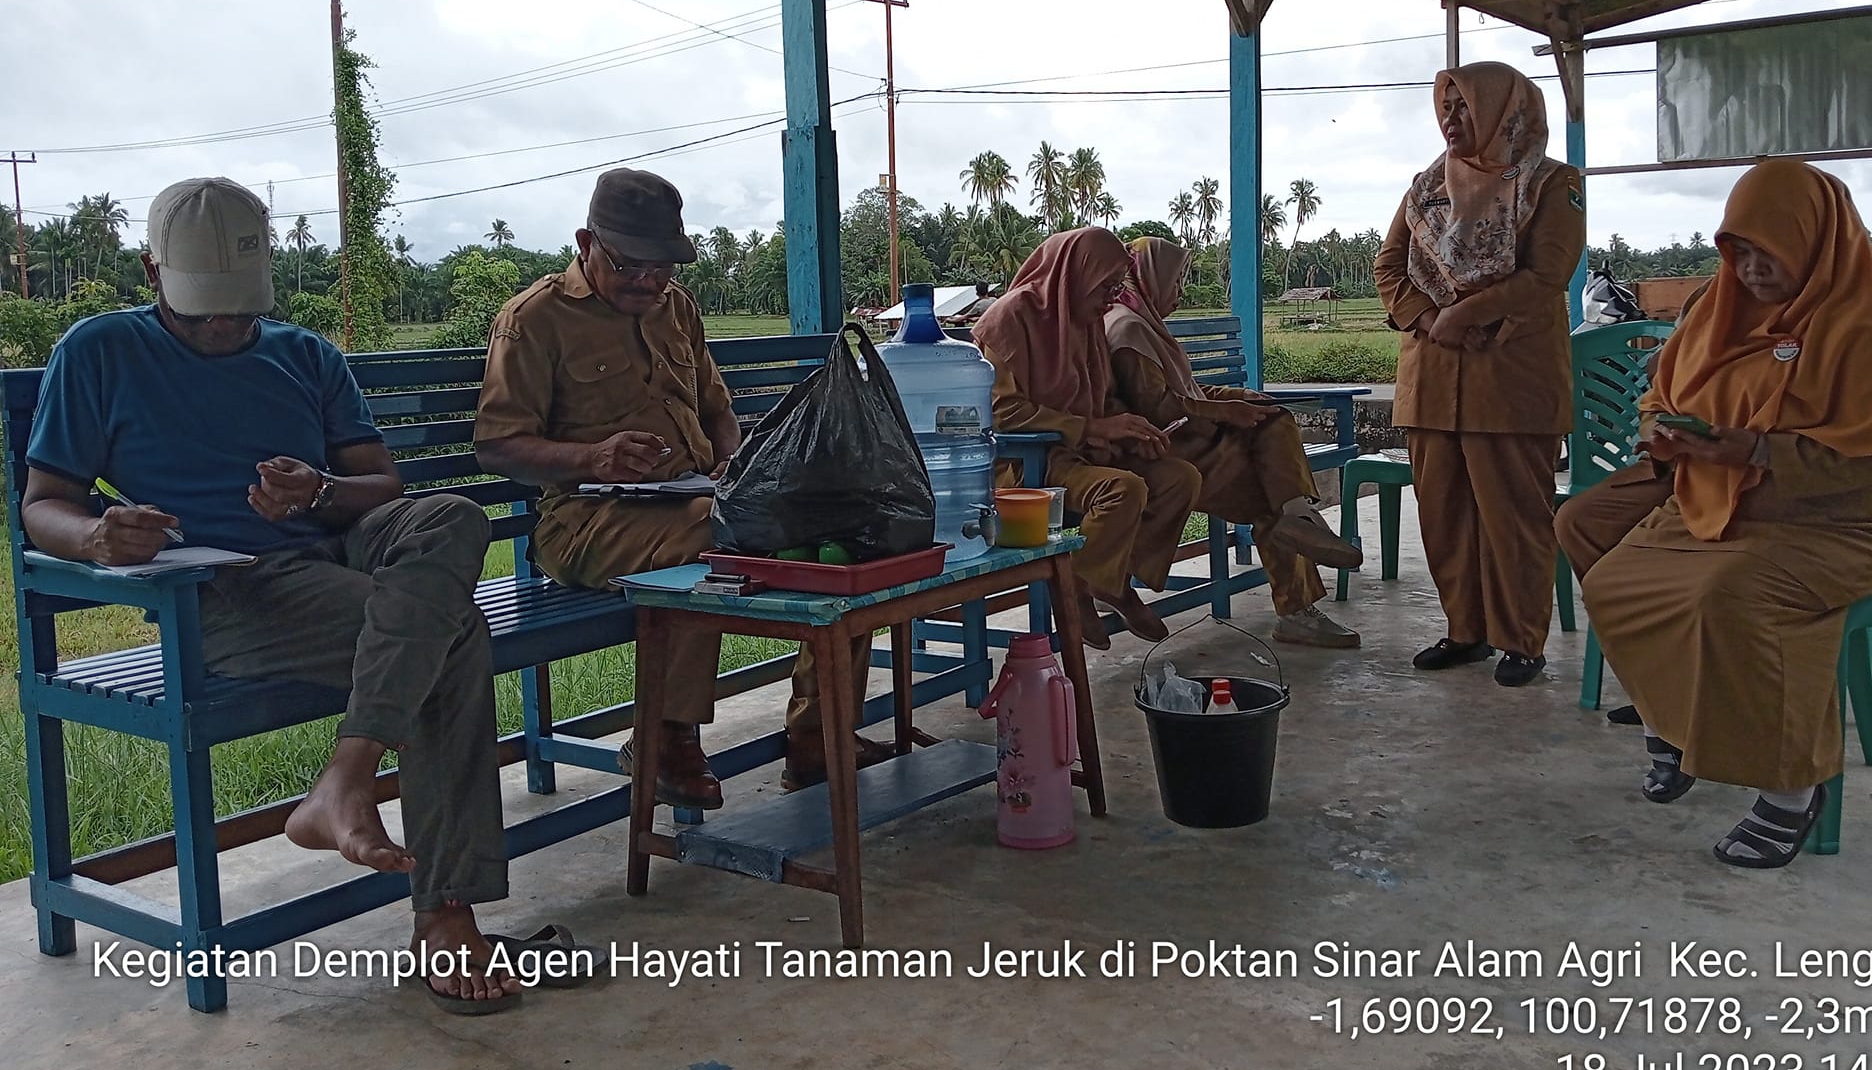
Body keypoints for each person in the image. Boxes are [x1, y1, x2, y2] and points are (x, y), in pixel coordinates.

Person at [22, 178, 520, 1014]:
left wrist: (319, 490)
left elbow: (381, 485)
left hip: (336, 547)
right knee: (450, 634)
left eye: (240, 308)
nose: (223, 326)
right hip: (225, 587)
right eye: (202, 311)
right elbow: (44, 504)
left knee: (455, 516)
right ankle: (444, 914)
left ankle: (344, 778)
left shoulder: (305, 354)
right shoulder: (99, 352)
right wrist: (96, 537)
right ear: (151, 272)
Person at [1558, 160, 1872, 868]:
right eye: (1738, 250)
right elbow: (1661, 392)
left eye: (1771, 250)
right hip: (1718, 498)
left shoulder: (1866, 328)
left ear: (1816, 243)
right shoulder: (1718, 308)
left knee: (1734, 595)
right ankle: (1673, 721)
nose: (1752, 268)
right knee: (1615, 582)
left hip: (1840, 521)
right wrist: (1663, 431)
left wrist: (1763, 451)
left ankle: (1791, 792)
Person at [474, 170, 884, 798]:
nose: (647, 281)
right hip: (584, 522)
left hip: (695, 500)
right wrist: (594, 458)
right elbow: (498, 445)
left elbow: (718, 411)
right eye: (630, 265)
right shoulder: (535, 319)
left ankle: (820, 735)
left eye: (661, 267)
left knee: (839, 532)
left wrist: (733, 466)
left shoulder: (677, 307)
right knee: (712, 540)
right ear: (586, 243)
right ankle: (665, 740)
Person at [1374, 62, 1585, 686]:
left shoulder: (1551, 183)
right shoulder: (1425, 188)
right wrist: (1430, 318)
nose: (1451, 117)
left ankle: (1521, 640)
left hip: (1511, 377)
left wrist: (1467, 313)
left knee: (1513, 516)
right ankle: (1464, 631)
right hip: (1432, 376)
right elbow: (1389, 267)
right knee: (1443, 515)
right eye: (1446, 105)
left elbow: (1548, 272)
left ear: (1503, 111)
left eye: (1465, 105)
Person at [1105, 236, 1363, 648]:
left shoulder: (1142, 323)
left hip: (1191, 439)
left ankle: (1296, 520)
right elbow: (1159, 409)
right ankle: (1297, 565)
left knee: (1273, 425)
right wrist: (1225, 412)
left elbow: (1185, 390)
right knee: (1269, 487)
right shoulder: (1128, 328)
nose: (1180, 290)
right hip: (1166, 450)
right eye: (1175, 280)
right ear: (1151, 277)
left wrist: (1236, 397)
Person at [975, 227, 1199, 649]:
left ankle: (1111, 581)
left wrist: (1129, 429)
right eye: (1106, 286)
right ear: (1074, 274)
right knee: (1123, 490)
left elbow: (1103, 397)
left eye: (1119, 287)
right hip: (1027, 464)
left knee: (1179, 478)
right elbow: (1003, 413)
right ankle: (1075, 591)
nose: (1113, 298)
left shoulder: (1086, 320)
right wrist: (1092, 428)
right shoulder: (1009, 320)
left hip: (1082, 452)